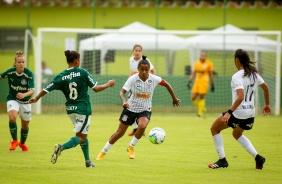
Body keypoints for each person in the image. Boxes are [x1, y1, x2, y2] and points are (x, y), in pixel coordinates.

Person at [29, 50, 115, 168]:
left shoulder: (61, 76)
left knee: (82, 135)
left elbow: (47, 88)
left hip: (70, 110)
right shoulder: (82, 72)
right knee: (81, 136)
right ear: (77, 61)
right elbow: (96, 88)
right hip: (83, 109)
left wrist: (37, 98)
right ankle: (61, 147)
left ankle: (88, 162)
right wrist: (108, 84)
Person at [96, 55, 180, 160]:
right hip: (130, 108)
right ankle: (103, 151)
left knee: (142, 125)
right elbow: (122, 92)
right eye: (142, 69)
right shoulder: (133, 79)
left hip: (145, 109)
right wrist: (124, 102)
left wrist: (174, 99)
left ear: (149, 70)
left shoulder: (154, 79)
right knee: (120, 133)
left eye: (146, 70)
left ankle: (131, 147)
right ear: (138, 69)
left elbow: (167, 84)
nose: (144, 72)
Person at [208, 49, 270, 169]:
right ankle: (258, 158)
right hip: (251, 113)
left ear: (236, 60)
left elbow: (240, 96)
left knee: (214, 129)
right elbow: (266, 88)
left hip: (238, 113)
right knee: (237, 133)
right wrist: (267, 104)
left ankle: (222, 160)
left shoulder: (237, 76)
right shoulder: (254, 74)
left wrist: (229, 113)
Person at [0, 50, 35, 152]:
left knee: (25, 125)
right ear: (15, 63)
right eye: (19, 62)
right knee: (12, 117)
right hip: (12, 98)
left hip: (26, 101)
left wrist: (23, 95)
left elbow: (32, 90)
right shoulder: (10, 72)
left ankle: (22, 143)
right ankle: (14, 140)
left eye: (23, 62)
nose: (21, 64)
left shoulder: (28, 73)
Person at [128, 44, 157, 136]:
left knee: (137, 106)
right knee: (130, 106)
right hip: (134, 86)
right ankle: (136, 128)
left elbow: (153, 71)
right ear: (133, 51)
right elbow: (132, 72)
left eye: (139, 51)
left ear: (142, 52)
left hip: (143, 87)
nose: (137, 52)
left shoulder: (145, 61)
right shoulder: (131, 60)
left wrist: (152, 82)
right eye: (136, 50)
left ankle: (139, 128)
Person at [187, 52, 214, 117]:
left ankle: (199, 114)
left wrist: (212, 84)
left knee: (202, 96)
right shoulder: (196, 63)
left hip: (205, 82)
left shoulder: (209, 63)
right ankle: (201, 108)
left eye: (204, 55)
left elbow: (211, 74)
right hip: (197, 81)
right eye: (202, 55)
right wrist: (189, 81)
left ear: (206, 56)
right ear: (200, 56)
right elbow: (193, 73)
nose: (203, 57)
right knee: (193, 97)